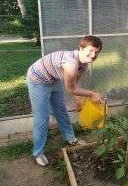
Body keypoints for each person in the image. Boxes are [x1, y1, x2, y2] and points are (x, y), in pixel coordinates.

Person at [26, 35, 103, 166]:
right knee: (42, 118)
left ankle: (71, 139)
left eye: (97, 52)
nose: (93, 55)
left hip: (53, 79)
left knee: (61, 111)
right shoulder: (70, 64)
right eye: (90, 50)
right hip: (37, 80)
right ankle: (37, 152)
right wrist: (91, 94)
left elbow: (76, 82)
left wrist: (78, 100)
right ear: (81, 48)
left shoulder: (83, 64)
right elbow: (71, 89)